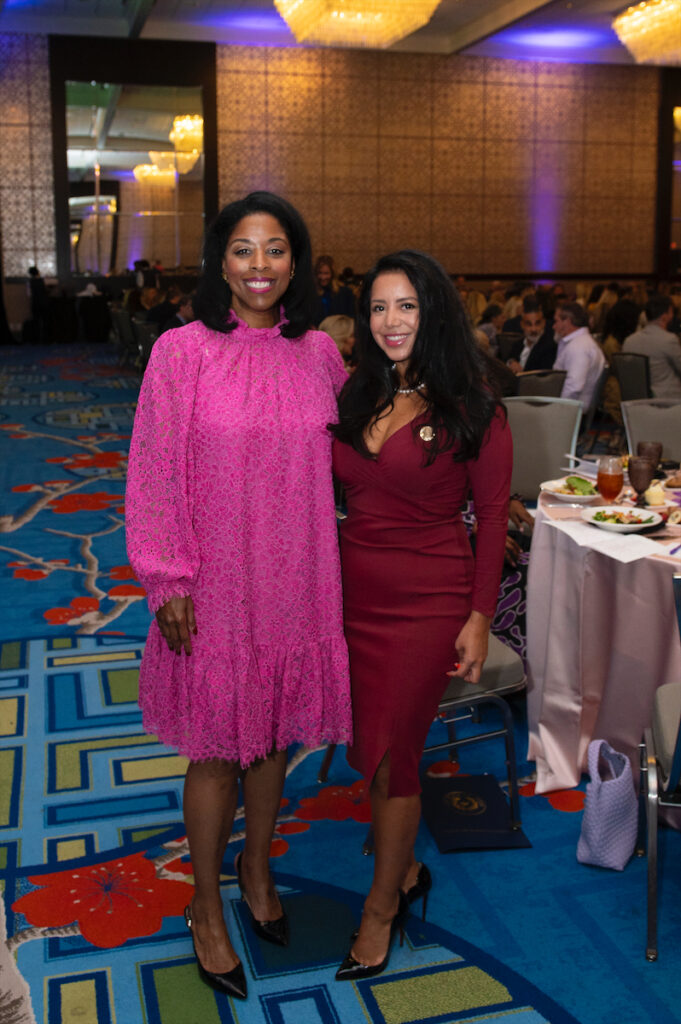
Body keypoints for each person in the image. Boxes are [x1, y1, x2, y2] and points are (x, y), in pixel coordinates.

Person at [125, 191, 352, 1001]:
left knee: (275, 738)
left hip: (297, 574)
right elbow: (152, 469)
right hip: (214, 578)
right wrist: (167, 576)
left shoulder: (319, 355)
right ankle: (204, 903)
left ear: (298, 262)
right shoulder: (182, 353)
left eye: (277, 249)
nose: (261, 266)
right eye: (244, 250)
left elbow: (368, 445)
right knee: (218, 746)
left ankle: (258, 871)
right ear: (220, 260)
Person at [331, 250, 512, 981]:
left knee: (393, 752)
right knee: (368, 740)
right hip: (349, 595)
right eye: (377, 307)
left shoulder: (473, 404)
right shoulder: (356, 391)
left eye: (404, 305)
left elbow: (494, 519)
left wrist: (477, 616)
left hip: (427, 601)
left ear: (432, 309)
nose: (389, 321)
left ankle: (381, 910)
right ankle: (403, 873)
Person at [622, 293, 681, 398]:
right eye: (672, 312)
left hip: (636, 400)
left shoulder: (629, 341)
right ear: (665, 316)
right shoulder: (669, 340)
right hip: (667, 400)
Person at [553, 301, 606, 410]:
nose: (554, 326)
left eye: (556, 321)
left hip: (571, 411)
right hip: (571, 407)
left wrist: (555, 408)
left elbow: (573, 388)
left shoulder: (579, 347)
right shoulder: (580, 342)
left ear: (567, 322)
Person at [506, 298, 556, 373]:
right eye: (529, 324)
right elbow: (507, 359)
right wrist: (511, 362)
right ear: (522, 325)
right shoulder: (518, 344)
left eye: (537, 323)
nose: (534, 329)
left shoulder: (550, 347)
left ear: (543, 323)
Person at [313, 254, 356, 324]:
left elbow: (352, 319)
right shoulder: (311, 293)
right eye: (320, 273)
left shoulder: (345, 292)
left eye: (326, 273)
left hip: (340, 333)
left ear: (333, 274)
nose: (323, 277)